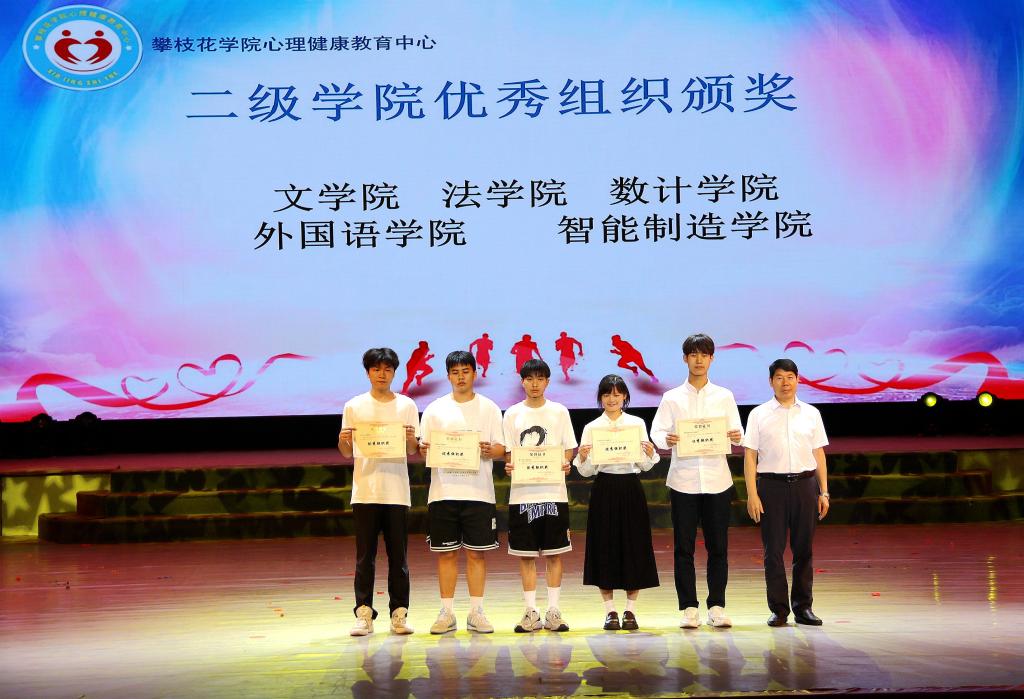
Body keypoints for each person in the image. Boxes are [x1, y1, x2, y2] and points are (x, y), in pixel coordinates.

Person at [651, 333, 743, 629]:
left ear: (712, 358)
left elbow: (737, 431)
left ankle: (716, 606)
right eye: (694, 354)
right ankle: (689, 608)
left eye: (704, 354)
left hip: (717, 480)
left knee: (718, 547)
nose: (699, 360)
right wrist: (666, 439)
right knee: (684, 548)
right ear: (685, 359)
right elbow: (656, 432)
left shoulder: (724, 396)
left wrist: (735, 435)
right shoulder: (672, 398)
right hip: (684, 481)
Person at [418, 351, 505, 634]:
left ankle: (476, 612)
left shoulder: (489, 408)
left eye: (465, 371)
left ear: (474, 373)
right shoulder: (434, 409)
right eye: (455, 372)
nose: (460, 377)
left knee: (477, 554)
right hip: (443, 492)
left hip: (479, 493)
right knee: (446, 554)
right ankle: (447, 613)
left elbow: (501, 448)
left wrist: (490, 451)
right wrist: (424, 450)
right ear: (448, 376)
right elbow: (424, 447)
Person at [338, 347, 420, 636]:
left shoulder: (407, 406)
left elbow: (413, 450)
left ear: (394, 373)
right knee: (365, 558)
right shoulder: (354, 406)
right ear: (368, 373)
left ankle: (399, 614)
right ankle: (363, 614)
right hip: (365, 491)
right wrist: (343, 440)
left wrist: (410, 439)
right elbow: (346, 452)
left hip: (396, 491)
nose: (381, 374)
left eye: (387, 369)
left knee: (399, 557)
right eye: (376, 369)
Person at [742, 358, 830, 627]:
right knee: (773, 551)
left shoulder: (811, 413)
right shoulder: (758, 414)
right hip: (771, 487)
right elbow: (750, 456)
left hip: (805, 485)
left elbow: (819, 454)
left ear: (798, 380)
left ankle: (803, 608)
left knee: (804, 549)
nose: (785, 382)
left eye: (790, 377)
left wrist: (824, 492)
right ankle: (779, 610)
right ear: (771, 382)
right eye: (779, 377)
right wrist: (752, 494)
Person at [574, 374, 660, 631]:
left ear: (625, 397)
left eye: (617, 394)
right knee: (605, 547)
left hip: (630, 486)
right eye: (606, 394)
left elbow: (644, 466)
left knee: (634, 546)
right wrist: (583, 457)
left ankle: (630, 610)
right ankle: (610, 611)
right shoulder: (591, 427)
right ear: (600, 398)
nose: (612, 399)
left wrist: (650, 453)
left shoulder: (636, 423)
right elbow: (586, 472)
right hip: (604, 487)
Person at [503, 359, 577, 632]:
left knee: (555, 554)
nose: (535, 384)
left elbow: (568, 448)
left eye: (540, 378)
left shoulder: (559, 412)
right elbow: (509, 453)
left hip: (553, 493)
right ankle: (531, 611)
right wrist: (510, 465)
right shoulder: (512, 414)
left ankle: (554, 611)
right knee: (526, 555)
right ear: (522, 381)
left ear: (547, 381)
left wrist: (566, 463)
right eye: (529, 378)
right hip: (522, 495)